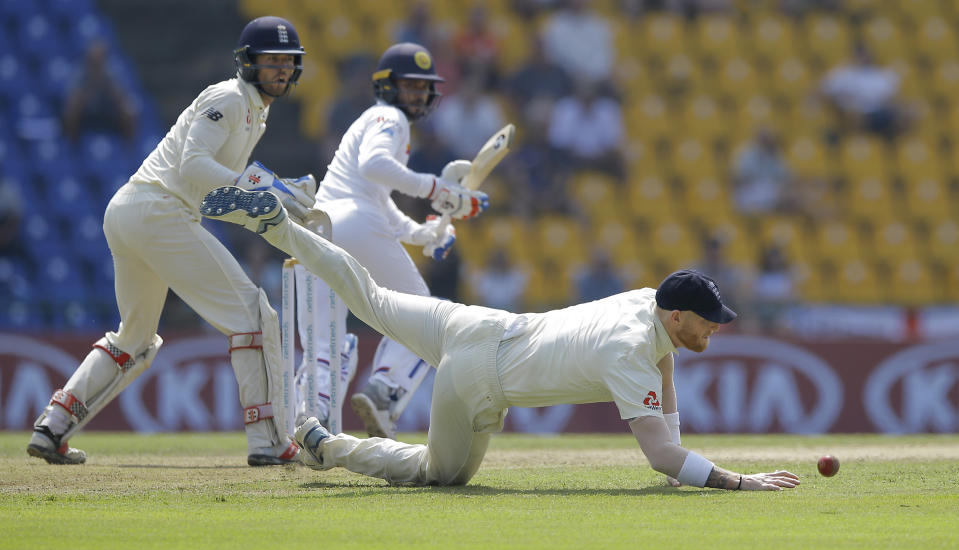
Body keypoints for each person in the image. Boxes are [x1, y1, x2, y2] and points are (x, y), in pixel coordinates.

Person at [199, 187, 801, 491]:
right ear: (676, 318)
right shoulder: (629, 356)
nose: (716, 326)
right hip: (480, 381)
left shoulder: (646, 300)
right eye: (709, 320)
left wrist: (672, 374)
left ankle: (278, 227)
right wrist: (741, 481)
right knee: (442, 478)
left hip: (477, 323)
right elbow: (664, 458)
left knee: (370, 297)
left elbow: (665, 370)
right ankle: (324, 445)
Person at [27, 16, 314, 466]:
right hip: (158, 209)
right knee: (254, 315)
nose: (280, 69)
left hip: (136, 212)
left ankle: (54, 425)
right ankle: (269, 441)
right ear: (248, 62)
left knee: (135, 339)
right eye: (271, 60)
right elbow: (194, 165)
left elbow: (217, 192)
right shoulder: (229, 97)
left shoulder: (256, 111)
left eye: (287, 62)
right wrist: (266, 188)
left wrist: (271, 200)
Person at [298, 42, 489, 440]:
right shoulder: (389, 117)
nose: (417, 96)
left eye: (423, 88)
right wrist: (436, 187)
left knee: (324, 340)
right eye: (410, 87)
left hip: (318, 226)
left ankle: (310, 426)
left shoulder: (373, 117)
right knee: (424, 316)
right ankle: (384, 390)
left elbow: (376, 198)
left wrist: (422, 233)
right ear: (388, 87)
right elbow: (374, 166)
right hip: (354, 222)